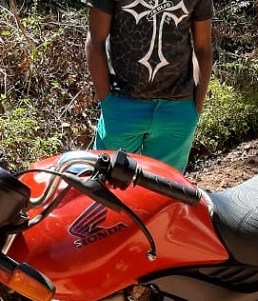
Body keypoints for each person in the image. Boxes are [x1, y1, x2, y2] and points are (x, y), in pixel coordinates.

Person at [83, 0, 213, 173]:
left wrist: (194, 108)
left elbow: (203, 47)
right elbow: (95, 40)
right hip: (122, 107)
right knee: (109, 187)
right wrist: (107, 101)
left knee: (165, 193)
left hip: (177, 111)